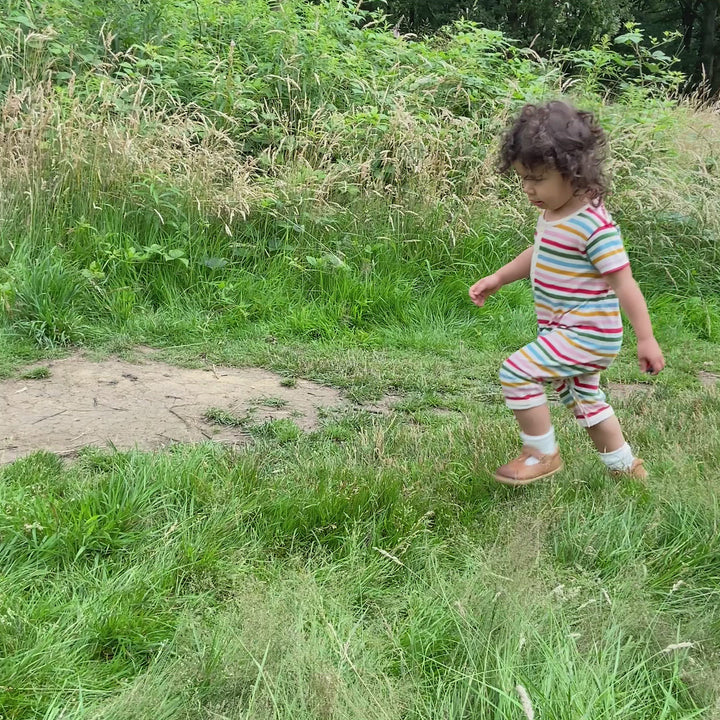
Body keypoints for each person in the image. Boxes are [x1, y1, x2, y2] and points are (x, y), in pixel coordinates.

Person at [469, 101, 665, 486]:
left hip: (588, 333)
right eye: (523, 178)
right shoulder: (553, 215)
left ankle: (540, 453)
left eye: (538, 179)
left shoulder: (594, 226)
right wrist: (498, 277)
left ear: (574, 172)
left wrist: (646, 337)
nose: (528, 189)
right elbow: (538, 252)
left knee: (517, 371)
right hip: (564, 330)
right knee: (586, 404)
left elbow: (625, 283)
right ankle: (628, 471)